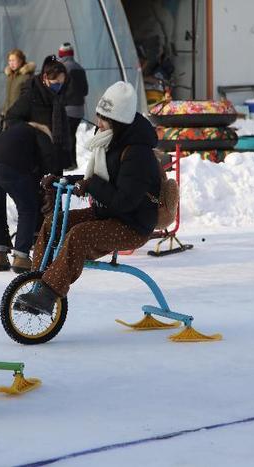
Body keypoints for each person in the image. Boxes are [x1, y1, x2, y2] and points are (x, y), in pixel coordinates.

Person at [15, 81, 160, 314]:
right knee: (54, 222)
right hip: (107, 213)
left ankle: (48, 293)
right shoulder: (109, 142)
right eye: (99, 116)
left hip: (132, 224)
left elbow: (124, 200)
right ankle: (38, 283)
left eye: (104, 119)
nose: (98, 123)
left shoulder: (137, 153)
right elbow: (97, 178)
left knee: (79, 235)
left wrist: (91, 185)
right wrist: (64, 180)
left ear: (119, 122)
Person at [0, 122, 59, 273]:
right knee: (27, 208)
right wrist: (49, 182)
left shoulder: (14, 132)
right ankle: (21, 256)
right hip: (11, 165)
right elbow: (48, 157)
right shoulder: (41, 134)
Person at [4, 55, 70, 176]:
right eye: (56, 83)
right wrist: (33, 127)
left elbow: (62, 127)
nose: (59, 87)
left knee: (54, 191)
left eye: (62, 83)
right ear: (45, 78)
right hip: (36, 157)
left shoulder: (57, 97)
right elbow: (11, 117)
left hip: (54, 155)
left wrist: (64, 154)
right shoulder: (31, 96)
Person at [58, 42, 89, 170]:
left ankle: (68, 163)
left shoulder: (62, 69)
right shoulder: (79, 68)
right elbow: (85, 90)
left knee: (65, 136)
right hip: (79, 109)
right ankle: (72, 162)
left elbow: (59, 90)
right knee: (71, 135)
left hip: (66, 109)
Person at [0, 48, 35, 128]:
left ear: (21, 60)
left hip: (20, 115)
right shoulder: (10, 76)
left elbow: (28, 97)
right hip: (8, 114)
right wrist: (4, 111)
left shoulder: (26, 77)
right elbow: (8, 97)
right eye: (9, 61)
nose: (11, 63)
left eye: (14, 60)